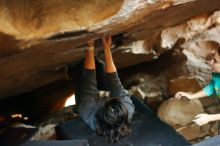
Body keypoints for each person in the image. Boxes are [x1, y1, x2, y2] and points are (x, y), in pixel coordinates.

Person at [72, 36, 135, 143]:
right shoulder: (127, 108)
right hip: (103, 107)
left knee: (80, 73)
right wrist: (107, 48)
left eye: (107, 101)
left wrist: (90, 46)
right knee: (100, 67)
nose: (107, 99)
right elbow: (114, 81)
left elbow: (88, 80)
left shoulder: (88, 111)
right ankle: (97, 62)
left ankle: (73, 69)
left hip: (89, 104)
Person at [175, 46, 220, 126]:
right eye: (212, 58)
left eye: (215, 61)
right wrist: (192, 96)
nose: (210, 62)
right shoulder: (217, 74)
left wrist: (210, 118)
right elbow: (213, 86)